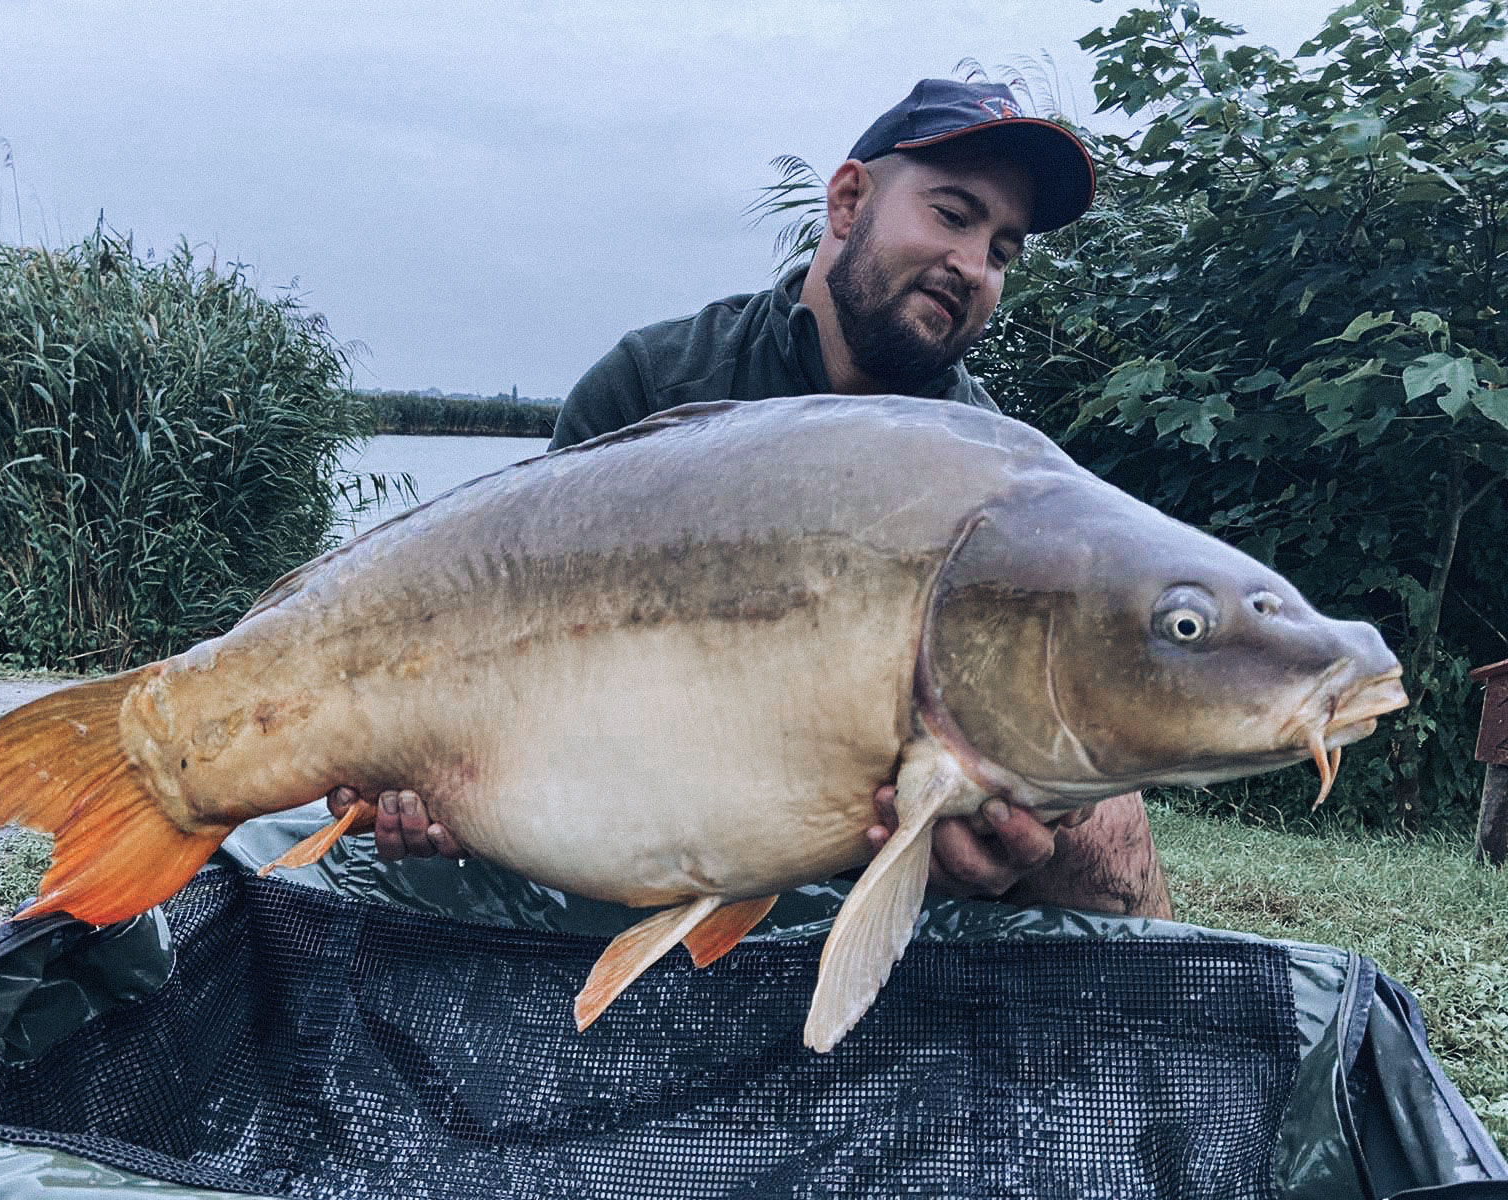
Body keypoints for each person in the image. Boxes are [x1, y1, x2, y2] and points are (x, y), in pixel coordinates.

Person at [334, 79, 1172, 920]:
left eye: (1002, 250)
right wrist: (448, 780)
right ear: (848, 201)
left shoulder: (998, 473)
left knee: (1103, 808)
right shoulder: (654, 384)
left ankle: (1143, 1029)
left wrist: (998, 844)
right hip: (643, 783)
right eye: (954, 215)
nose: (973, 266)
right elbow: (507, 629)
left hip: (872, 803)